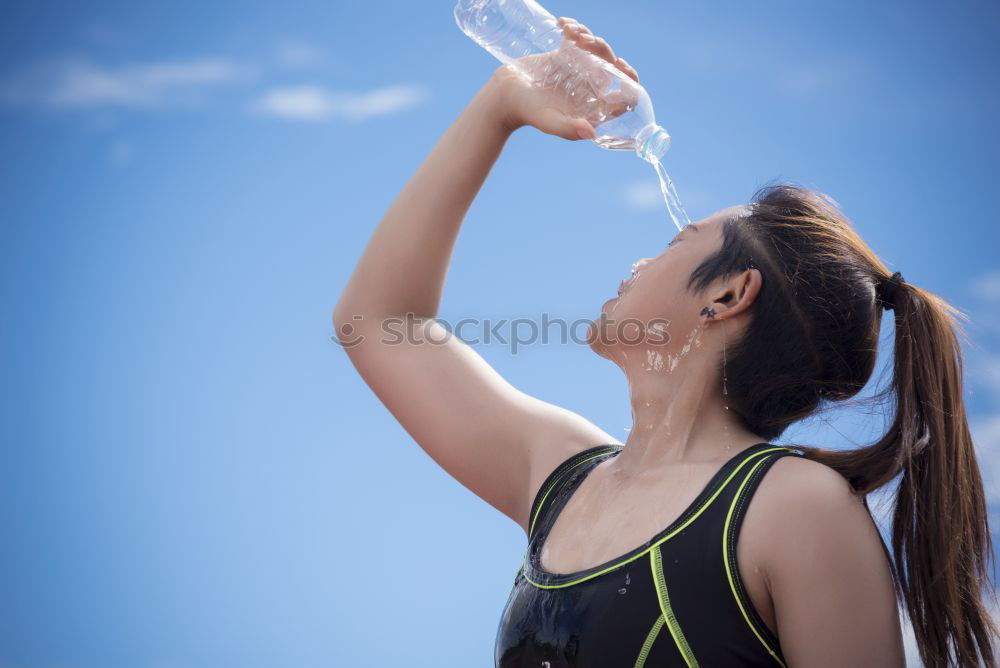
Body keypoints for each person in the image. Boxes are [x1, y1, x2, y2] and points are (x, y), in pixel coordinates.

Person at [332, 16, 997, 667]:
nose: (638, 264)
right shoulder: (562, 477)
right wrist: (500, 103)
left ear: (728, 296)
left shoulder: (795, 507)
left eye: (675, 243)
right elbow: (377, 321)